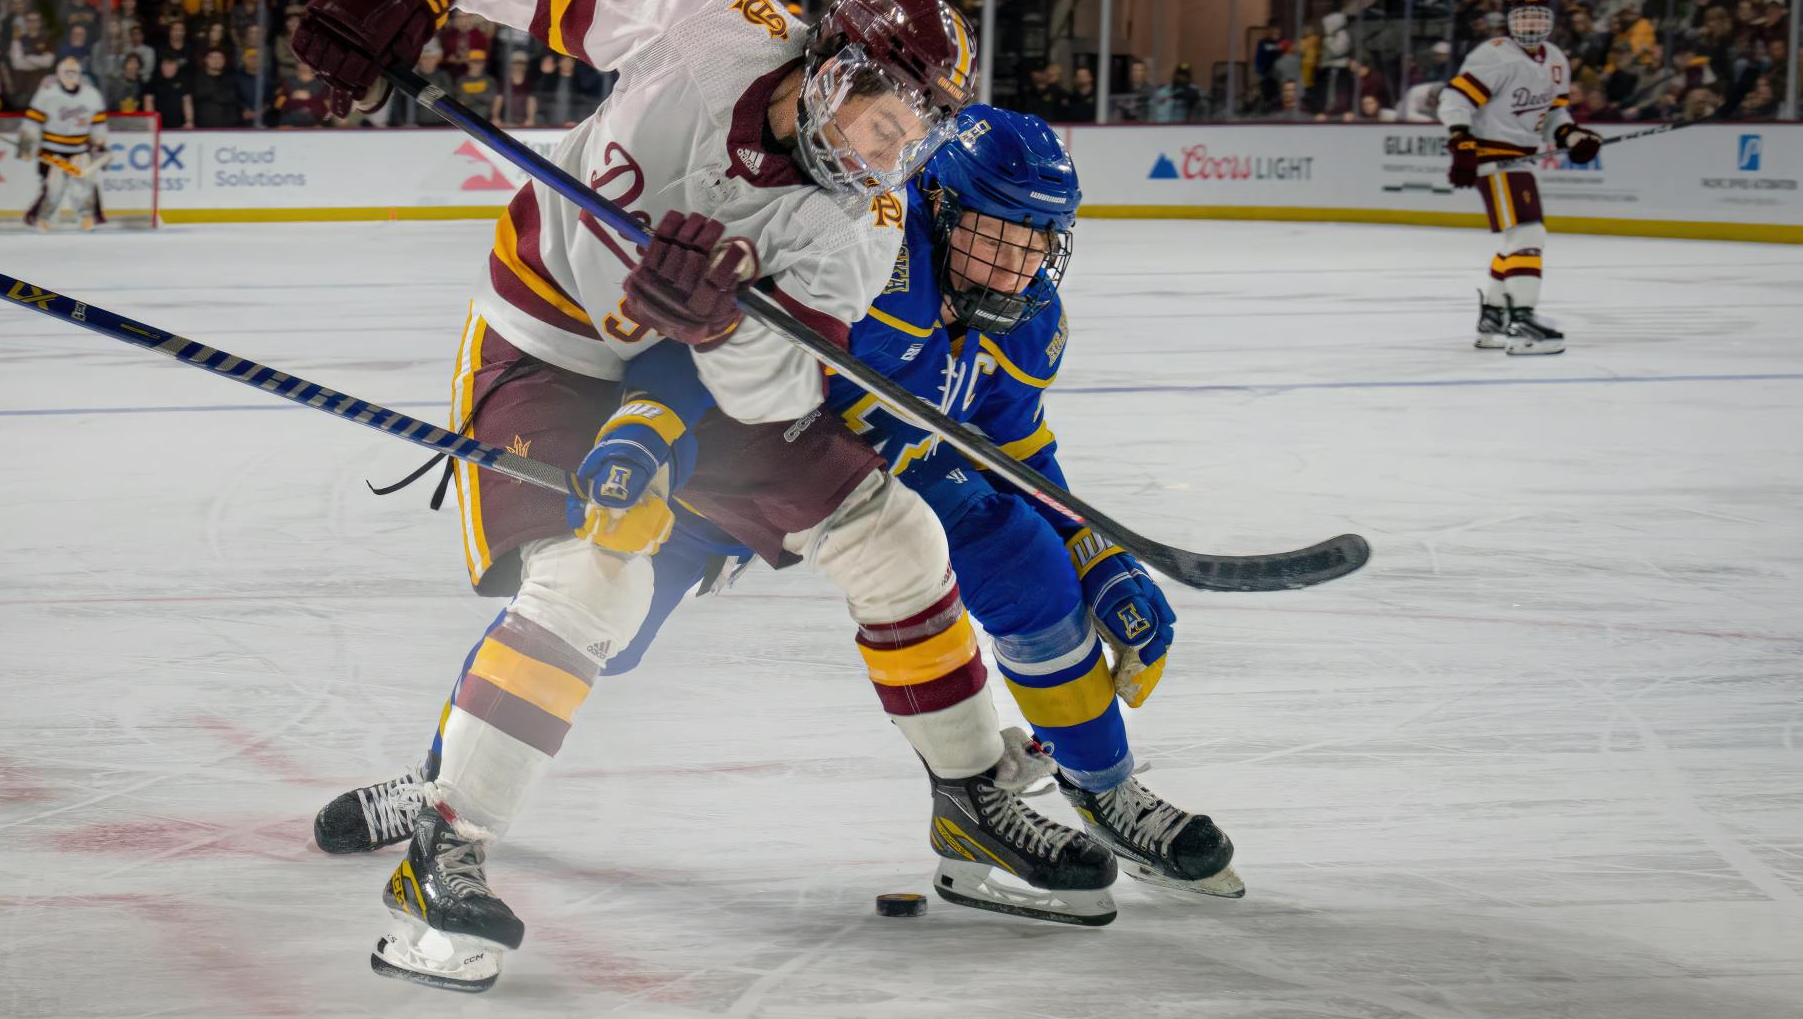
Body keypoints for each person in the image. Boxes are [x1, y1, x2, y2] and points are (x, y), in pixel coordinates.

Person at [291, 0, 1113, 993]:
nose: (888, 157)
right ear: (832, 69)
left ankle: (970, 804)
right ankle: (445, 842)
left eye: (909, 140)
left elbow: (777, 392)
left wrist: (720, 330)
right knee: (596, 576)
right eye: (881, 123)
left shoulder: (858, 230)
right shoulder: (713, 21)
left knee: (895, 536)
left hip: (701, 372)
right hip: (548, 341)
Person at [317, 107, 1243, 904]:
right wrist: (647, 431)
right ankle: (443, 778)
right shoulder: (864, 246)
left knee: (1023, 557)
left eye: (1036, 241)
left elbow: (1018, 449)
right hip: (736, 461)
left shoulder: (1031, 320)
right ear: (939, 205)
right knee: (594, 623)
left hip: (879, 477)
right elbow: (710, 348)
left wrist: (1095, 552)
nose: (1015, 265)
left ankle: (1097, 787)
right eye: (995, 235)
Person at [1441, 0, 1600, 356]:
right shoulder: (1494, 55)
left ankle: (1495, 318)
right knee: (1530, 234)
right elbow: (1455, 98)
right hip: (1494, 158)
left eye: (1538, 16)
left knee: (1518, 240)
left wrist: (1571, 135)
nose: (1531, 24)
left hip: (1519, 160)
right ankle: (1522, 322)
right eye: (1524, 16)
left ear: (1550, 21)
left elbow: (1554, 113)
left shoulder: (1556, 59)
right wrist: (1461, 140)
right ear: (1511, 21)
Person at [19, 55, 109, 229]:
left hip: (79, 150)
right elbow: (32, 122)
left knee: (84, 185)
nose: (70, 76)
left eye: (74, 72)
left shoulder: (92, 95)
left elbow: (98, 124)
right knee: (54, 187)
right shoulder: (47, 94)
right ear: (59, 74)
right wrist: (27, 145)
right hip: (52, 150)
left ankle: (86, 217)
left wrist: (100, 142)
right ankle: (42, 218)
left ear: (80, 74)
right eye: (66, 72)